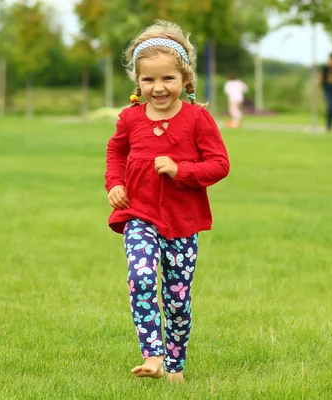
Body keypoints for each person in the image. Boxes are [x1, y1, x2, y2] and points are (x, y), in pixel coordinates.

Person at [104, 20, 230, 383]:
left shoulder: (197, 119)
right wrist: (114, 183)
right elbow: (116, 152)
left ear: (185, 80)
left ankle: (175, 365)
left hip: (182, 221)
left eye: (167, 79)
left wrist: (180, 170)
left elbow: (220, 165)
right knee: (141, 277)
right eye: (148, 80)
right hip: (139, 214)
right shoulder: (130, 119)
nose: (158, 88)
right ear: (137, 83)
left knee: (177, 299)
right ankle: (153, 354)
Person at [319, 53, 332, 132]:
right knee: (329, 105)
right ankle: (328, 124)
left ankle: (331, 124)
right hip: (327, 88)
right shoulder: (325, 68)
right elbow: (321, 77)